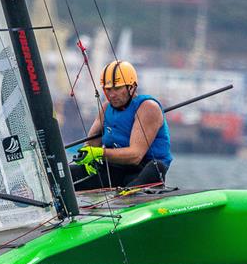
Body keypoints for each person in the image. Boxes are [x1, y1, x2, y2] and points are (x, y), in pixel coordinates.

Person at [71, 60, 173, 190]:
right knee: (61, 176)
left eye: (117, 88)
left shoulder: (148, 107)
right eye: (107, 89)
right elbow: (90, 145)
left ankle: (126, 198)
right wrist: (86, 158)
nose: (111, 94)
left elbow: (136, 155)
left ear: (132, 87)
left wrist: (99, 152)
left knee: (155, 167)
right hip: (115, 171)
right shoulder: (106, 108)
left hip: (143, 171)